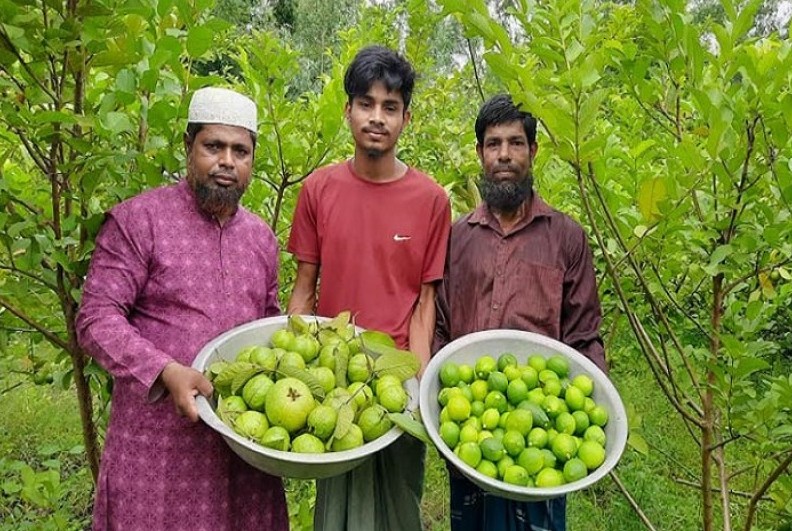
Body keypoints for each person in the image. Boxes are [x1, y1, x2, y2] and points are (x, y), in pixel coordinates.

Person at [76, 87, 289, 530]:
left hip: (240, 437)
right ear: (188, 148)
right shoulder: (139, 221)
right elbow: (96, 317)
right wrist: (165, 370)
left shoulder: (261, 239)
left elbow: (269, 323)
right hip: (158, 442)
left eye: (240, 150)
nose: (227, 161)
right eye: (214, 146)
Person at [286, 45, 451, 530]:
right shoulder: (318, 189)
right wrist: (293, 359)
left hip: (397, 379)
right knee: (335, 508)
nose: (377, 117)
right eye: (366, 103)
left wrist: (418, 388)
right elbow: (304, 287)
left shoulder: (431, 200)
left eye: (390, 107)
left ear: (406, 118)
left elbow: (425, 304)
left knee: (401, 502)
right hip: (334, 376)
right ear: (348, 110)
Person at [434, 94, 607, 531]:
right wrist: (433, 404)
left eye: (515, 142)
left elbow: (584, 333)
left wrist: (594, 407)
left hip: (546, 432)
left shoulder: (566, 237)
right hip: (468, 418)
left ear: (533, 151)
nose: (504, 155)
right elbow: (439, 323)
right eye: (493, 144)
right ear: (479, 153)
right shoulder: (457, 238)